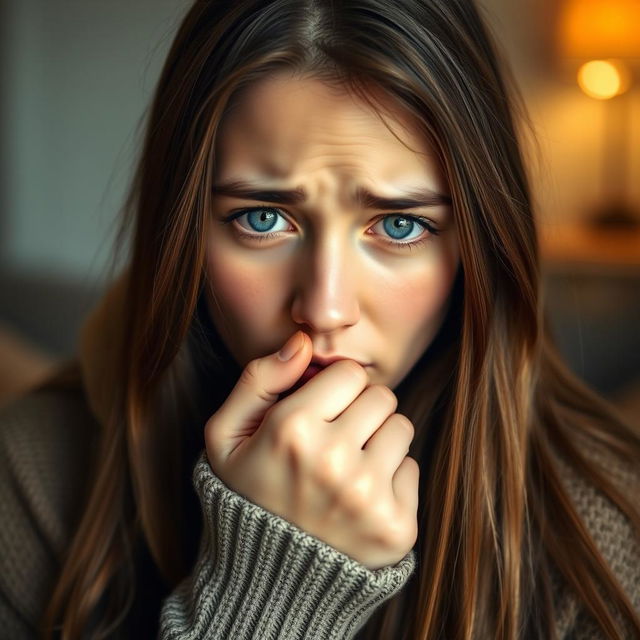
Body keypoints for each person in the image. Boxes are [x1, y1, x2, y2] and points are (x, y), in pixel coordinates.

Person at [1, 0, 639, 638]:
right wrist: (268, 597)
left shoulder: (605, 534)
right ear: (185, 231)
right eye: (262, 218)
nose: (325, 308)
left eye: (399, 225)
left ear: (479, 249)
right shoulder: (30, 481)